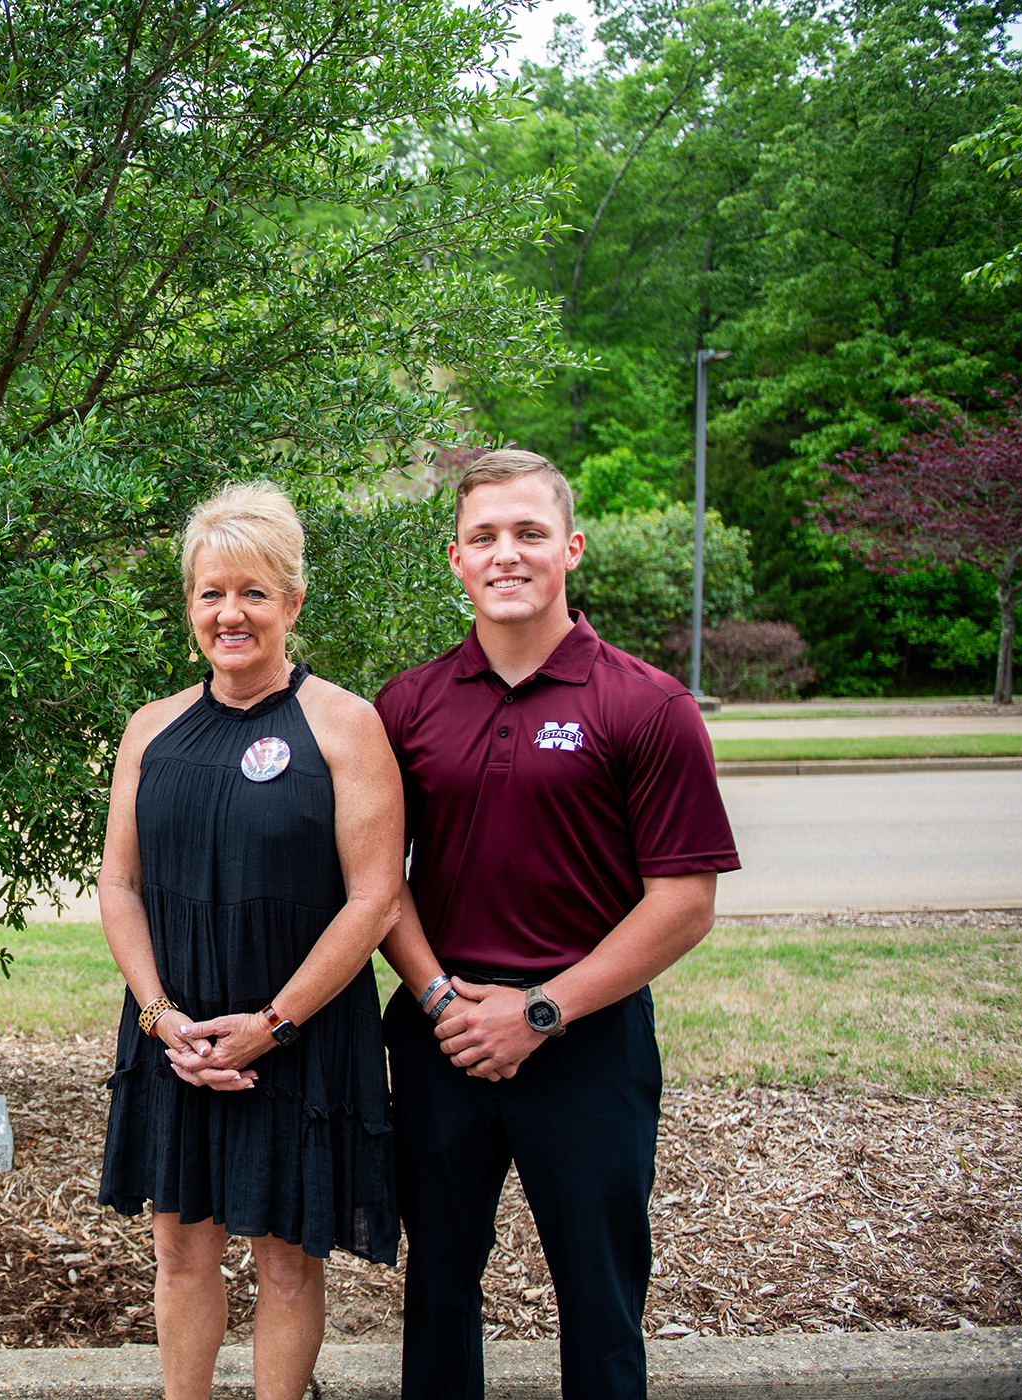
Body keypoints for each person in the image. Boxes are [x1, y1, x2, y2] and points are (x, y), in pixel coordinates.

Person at [374, 450, 741, 1400]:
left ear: (570, 548)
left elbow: (684, 901)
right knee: (439, 1292)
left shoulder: (647, 705)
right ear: (455, 559)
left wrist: (538, 1012)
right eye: (484, 536)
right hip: (441, 1039)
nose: (508, 553)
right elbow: (378, 884)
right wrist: (440, 996)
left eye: (530, 533)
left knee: (602, 1299)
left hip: (588, 1045)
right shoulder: (405, 707)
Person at [96, 482, 404, 1400]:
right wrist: (162, 1019)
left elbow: (376, 897)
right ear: (190, 605)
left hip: (297, 1035)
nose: (231, 614)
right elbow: (118, 883)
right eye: (211, 593)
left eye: (254, 593)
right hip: (175, 1034)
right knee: (181, 1254)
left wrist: (272, 1022)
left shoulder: (346, 727)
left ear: (292, 603)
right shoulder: (151, 730)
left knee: (286, 1263)